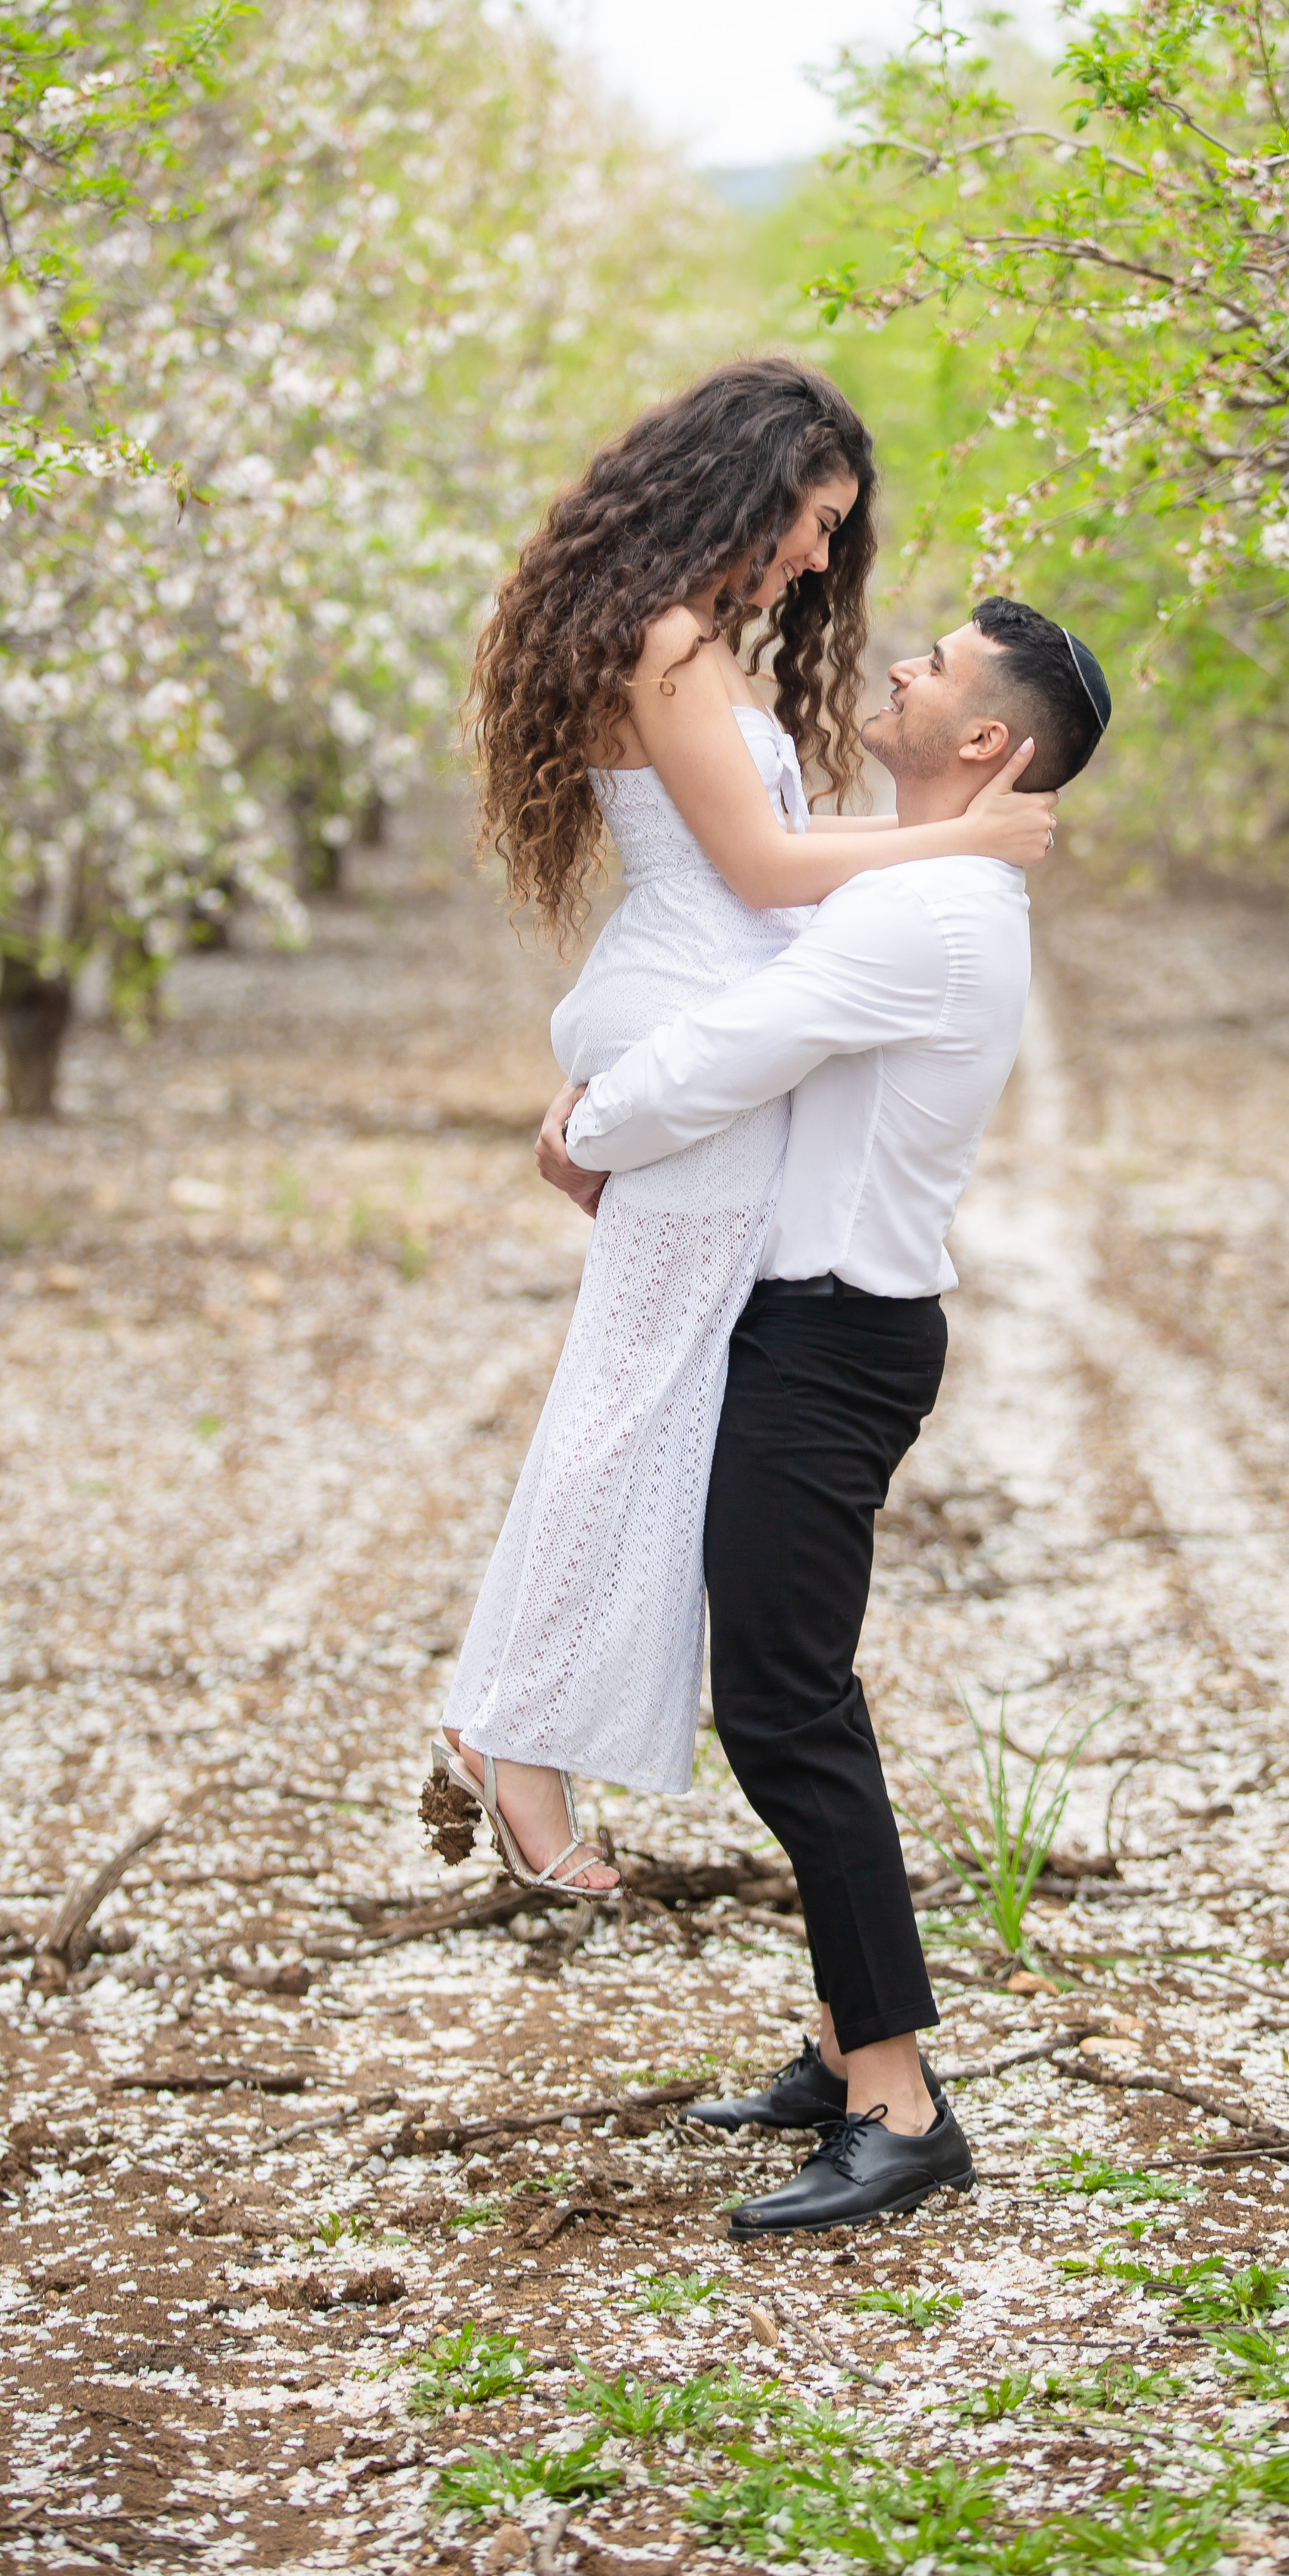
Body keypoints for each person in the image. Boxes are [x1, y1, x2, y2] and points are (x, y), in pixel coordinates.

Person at [428, 362, 1057, 1896]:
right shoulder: (663, 644)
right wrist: (960, 836)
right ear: (746, 488)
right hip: (694, 1004)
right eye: (816, 521)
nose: (822, 558)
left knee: (654, 1380)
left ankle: (515, 1726)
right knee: (638, 1385)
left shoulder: (685, 642)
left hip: (703, 1014)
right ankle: (512, 1737)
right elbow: (763, 872)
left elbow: (765, 854)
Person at [540, 596, 1112, 2232]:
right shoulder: (921, 881)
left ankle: (899, 2103)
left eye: (939, 666)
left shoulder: (929, 913)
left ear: (986, 741)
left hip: (833, 1344)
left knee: (789, 1713)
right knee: (793, 1701)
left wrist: (586, 1128)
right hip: (810, 1331)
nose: (902, 665)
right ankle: (838, 2046)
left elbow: (729, 1051)